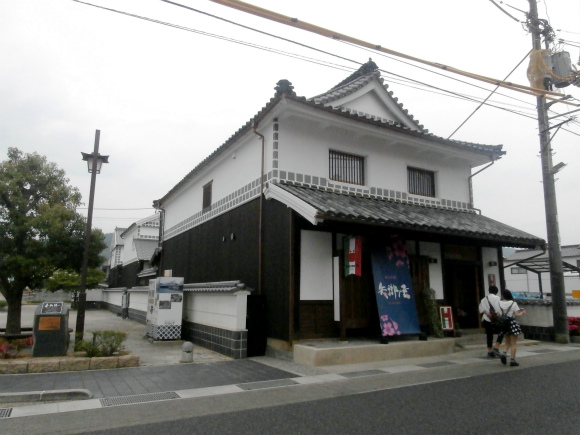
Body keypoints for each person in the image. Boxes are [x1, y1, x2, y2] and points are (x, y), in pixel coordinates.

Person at [497, 289, 526, 367]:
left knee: (507, 341)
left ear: (503, 296)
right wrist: (522, 312)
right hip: (512, 323)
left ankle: (504, 353)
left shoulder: (499, 303)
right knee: (513, 343)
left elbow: (498, 314)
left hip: (504, 324)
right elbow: (517, 314)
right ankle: (512, 360)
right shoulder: (513, 303)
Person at [478, 285, 502, 358]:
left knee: (489, 335)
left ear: (489, 291)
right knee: (502, 331)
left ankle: (489, 351)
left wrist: (487, 313)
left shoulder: (483, 299)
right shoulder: (498, 298)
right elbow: (500, 309)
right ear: (496, 291)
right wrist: (495, 314)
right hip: (496, 319)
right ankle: (496, 347)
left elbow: (480, 309)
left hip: (486, 319)